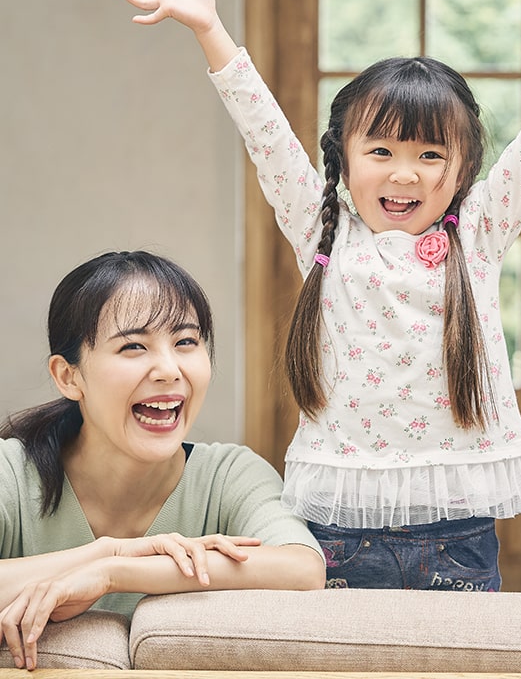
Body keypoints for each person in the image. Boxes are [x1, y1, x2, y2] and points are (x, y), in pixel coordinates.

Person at [120, 0, 521, 592]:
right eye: (382, 150)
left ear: (462, 169)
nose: (404, 172)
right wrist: (209, 28)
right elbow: (264, 131)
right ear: (345, 156)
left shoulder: (475, 234)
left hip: (456, 525)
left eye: (430, 154)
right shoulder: (321, 228)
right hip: (336, 522)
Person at [0, 250, 325, 671]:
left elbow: (301, 568)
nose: (169, 369)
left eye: (186, 342)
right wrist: (110, 551)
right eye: (133, 346)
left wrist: (116, 573)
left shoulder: (229, 475)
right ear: (69, 376)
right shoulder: (12, 471)